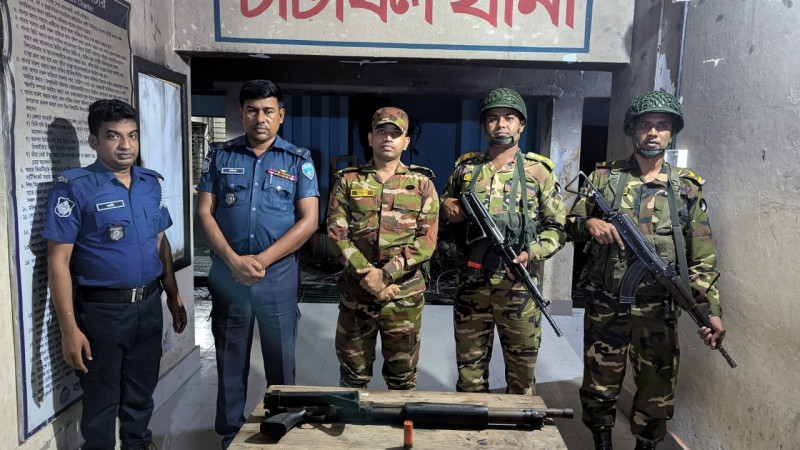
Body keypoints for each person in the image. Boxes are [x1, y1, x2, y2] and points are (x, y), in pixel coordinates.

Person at [565, 91, 727, 450]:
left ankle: (646, 445)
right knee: (599, 383)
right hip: (606, 304)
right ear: (632, 130)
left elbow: (702, 255)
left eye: (662, 126)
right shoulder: (604, 178)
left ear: (672, 133)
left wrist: (710, 309)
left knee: (657, 390)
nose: (653, 133)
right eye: (645, 125)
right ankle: (601, 442)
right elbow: (569, 225)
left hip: (659, 310)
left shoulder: (686, 187)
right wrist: (590, 222)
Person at [44, 99, 187, 450]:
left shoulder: (150, 183)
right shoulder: (74, 188)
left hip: (148, 307)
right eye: (114, 136)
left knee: (141, 394)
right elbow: (58, 261)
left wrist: (173, 296)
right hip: (102, 314)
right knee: (101, 401)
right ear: (94, 142)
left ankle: (138, 444)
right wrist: (69, 329)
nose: (126, 145)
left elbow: (160, 241)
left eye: (132, 135)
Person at [194, 79, 319, 448]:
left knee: (280, 362)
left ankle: (281, 429)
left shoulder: (298, 160)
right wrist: (234, 261)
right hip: (228, 275)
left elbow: (309, 221)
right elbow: (204, 213)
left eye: (267, 111)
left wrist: (260, 261)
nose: (259, 118)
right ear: (241, 113)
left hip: (277, 275)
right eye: (252, 110)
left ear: (281, 115)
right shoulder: (220, 155)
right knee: (230, 359)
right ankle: (229, 435)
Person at [440, 88, 566, 395]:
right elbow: (441, 210)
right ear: (484, 125)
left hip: (518, 287)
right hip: (471, 287)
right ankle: (474, 424)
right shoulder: (466, 169)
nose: (501, 124)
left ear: (521, 125)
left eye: (509, 118)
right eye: (493, 118)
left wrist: (531, 252)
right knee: (470, 378)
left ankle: (517, 426)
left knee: (521, 379)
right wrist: (447, 205)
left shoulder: (539, 171)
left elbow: (557, 229)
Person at [326, 107, 439, 390]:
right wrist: (370, 276)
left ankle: (400, 421)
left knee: (402, 378)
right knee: (352, 376)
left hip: (403, 296)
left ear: (406, 142)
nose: (388, 138)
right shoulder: (348, 181)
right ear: (370, 138)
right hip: (357, 294)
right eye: (381, 131)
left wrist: (386, 275)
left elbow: (426, 241)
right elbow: (337, 233)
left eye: (395, 133)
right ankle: (355, 419)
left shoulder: (422, 184)